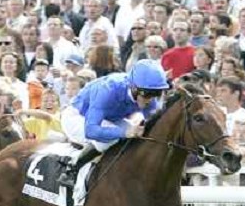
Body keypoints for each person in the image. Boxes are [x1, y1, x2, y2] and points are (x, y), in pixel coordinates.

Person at [57, 59, 170, 187]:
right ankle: (71, 169)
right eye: (148, 93)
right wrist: (124, 132)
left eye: (157, 93)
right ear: (133, 87)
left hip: (110, 117)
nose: (151, 99)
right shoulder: (107, 90)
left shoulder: (146, 94)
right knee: (111, 139)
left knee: (139, 135)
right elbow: (91, 130)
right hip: (77, 116)